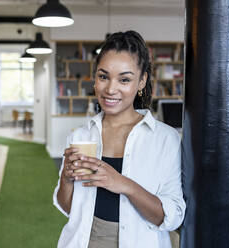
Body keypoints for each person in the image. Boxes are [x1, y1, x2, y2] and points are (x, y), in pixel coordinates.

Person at [53, 31, 186, 248]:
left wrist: (123, 184)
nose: (110, 89)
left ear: (142, 81)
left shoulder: (165, 139)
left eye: (124, 79)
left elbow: (171, 217)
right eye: (103, 76)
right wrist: (66, 179)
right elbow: (70, 209)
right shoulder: (80, 136)